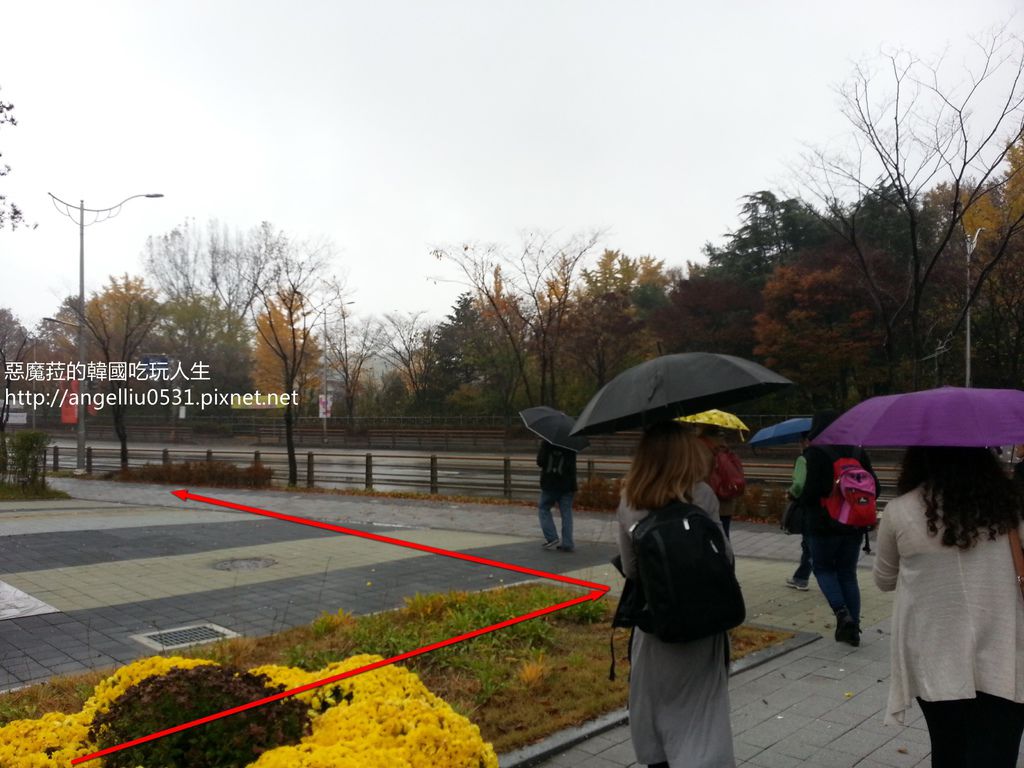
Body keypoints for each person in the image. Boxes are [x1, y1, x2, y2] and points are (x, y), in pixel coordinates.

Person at [873, 446, 1024, 767]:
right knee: (997, 753)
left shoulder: (899, 511)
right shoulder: (1009, 507)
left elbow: (884, 580)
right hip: (1006, 656)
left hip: (935, 658)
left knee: (948, 749)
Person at [615, 421, 735, 768]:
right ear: (687, 453)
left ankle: (659, 760)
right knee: (703, 709)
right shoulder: (703, 496)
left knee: (653, 705)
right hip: (705, 626)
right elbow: (724, 560)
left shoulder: (629, 499)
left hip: (657, 625)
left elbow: (632, 569)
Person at [795, 409, 879, 647]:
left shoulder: (814, 453)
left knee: (822, 568)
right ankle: (854, 630)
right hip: (854, 525)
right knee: (847, 573)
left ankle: (842, 614)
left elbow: (808, 494)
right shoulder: (856, 450)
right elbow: (876, 487)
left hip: (823, 525)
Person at [699, 425, 744, 538]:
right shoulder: (725, 450)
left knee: (713, 540)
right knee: (723, 538)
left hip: (711, 503)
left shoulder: (705, 451)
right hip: (726, 503)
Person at [536, 440, 577, 552]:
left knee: (543, 508)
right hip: (567, 484)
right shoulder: (572, 443)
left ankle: (551, 537)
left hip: (550, 484)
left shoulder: (547, 441)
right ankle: (567, 543)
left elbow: (540, 461)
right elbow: (571, 465)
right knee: (566, 513)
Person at [784, 433, 812, 591]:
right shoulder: (826, 456)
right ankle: (801, 577)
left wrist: (790, 493)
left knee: (809, 545)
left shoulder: (803, 459)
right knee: (810, 544)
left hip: (807, 506)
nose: (799, 444)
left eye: (800, 441)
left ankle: (801, 579)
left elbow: (799, 484)